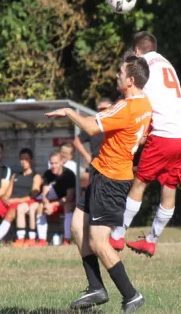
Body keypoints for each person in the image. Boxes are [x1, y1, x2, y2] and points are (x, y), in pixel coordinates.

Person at [45, 54, 151, 313]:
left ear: (131, 80)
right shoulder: (145, 104)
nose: (117, 75)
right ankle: (96, 288)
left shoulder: (126, 107)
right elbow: (143, 136)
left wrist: (70, 112)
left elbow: (92, 127)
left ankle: (131, 294)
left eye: (120, 73)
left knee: (99, 242)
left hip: (111, 180)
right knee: (78, 228)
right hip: (103, 174)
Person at [110, 31, 181, 257]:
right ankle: (151, 240)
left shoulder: (140, 65)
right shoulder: (166, 63)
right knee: (170, 186)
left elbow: (133, 94)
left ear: (137, 51)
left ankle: (117, 235)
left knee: (140, 183)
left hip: (165, 133)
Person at [0, 148, 42, 247]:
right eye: (21, 159)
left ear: (31, 160)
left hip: (23, 202)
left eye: (26, 159)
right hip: (10, 202)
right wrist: (5, 198)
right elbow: (8, 192)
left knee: (10, 214)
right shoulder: (15, 175)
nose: (23, 162)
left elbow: (32, 196)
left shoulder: (36, 176)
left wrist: (14, 200)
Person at [24, 151, 76, 247]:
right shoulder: (48, 173)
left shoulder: (69, 174)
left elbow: (69, 197)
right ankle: (42, 240)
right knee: (40, 206)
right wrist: (47, 204)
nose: (53, 166)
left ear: (61, 162)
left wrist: (53, 205)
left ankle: (67, 239)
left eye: (56, 163)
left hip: (65, 201)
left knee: (68, 206)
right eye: (51, 163)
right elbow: (44, 194)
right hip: (53, 200)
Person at [74, 98, 113, 188]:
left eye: (105, 108)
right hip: (96, 167)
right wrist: (87, 157)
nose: (102, 111)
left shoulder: (118, 124)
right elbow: (77, 141)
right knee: (95, 195)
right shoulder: (94, 125)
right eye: (100, 109)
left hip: (114, 166)